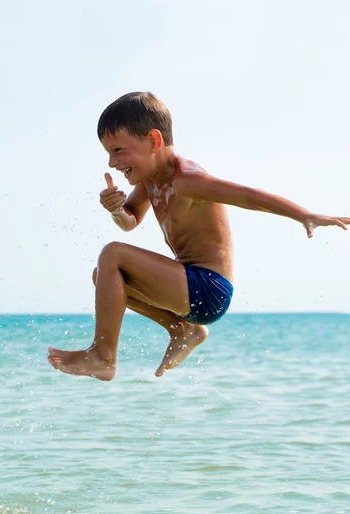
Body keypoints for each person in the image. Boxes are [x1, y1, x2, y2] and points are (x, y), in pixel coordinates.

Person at [47, 91, 349, 380]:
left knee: (113, 254)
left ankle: (103, 357)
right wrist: (116, 211)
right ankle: (184, 331)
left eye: (118, 150)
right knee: (104, 275)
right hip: (189, 284)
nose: (112, 163)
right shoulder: (150, 180)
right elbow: (130, 221)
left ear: (153, 140)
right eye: (108, 154)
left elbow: (247, 196)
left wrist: (303, 215)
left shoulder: (188, 181)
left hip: (209, 289)